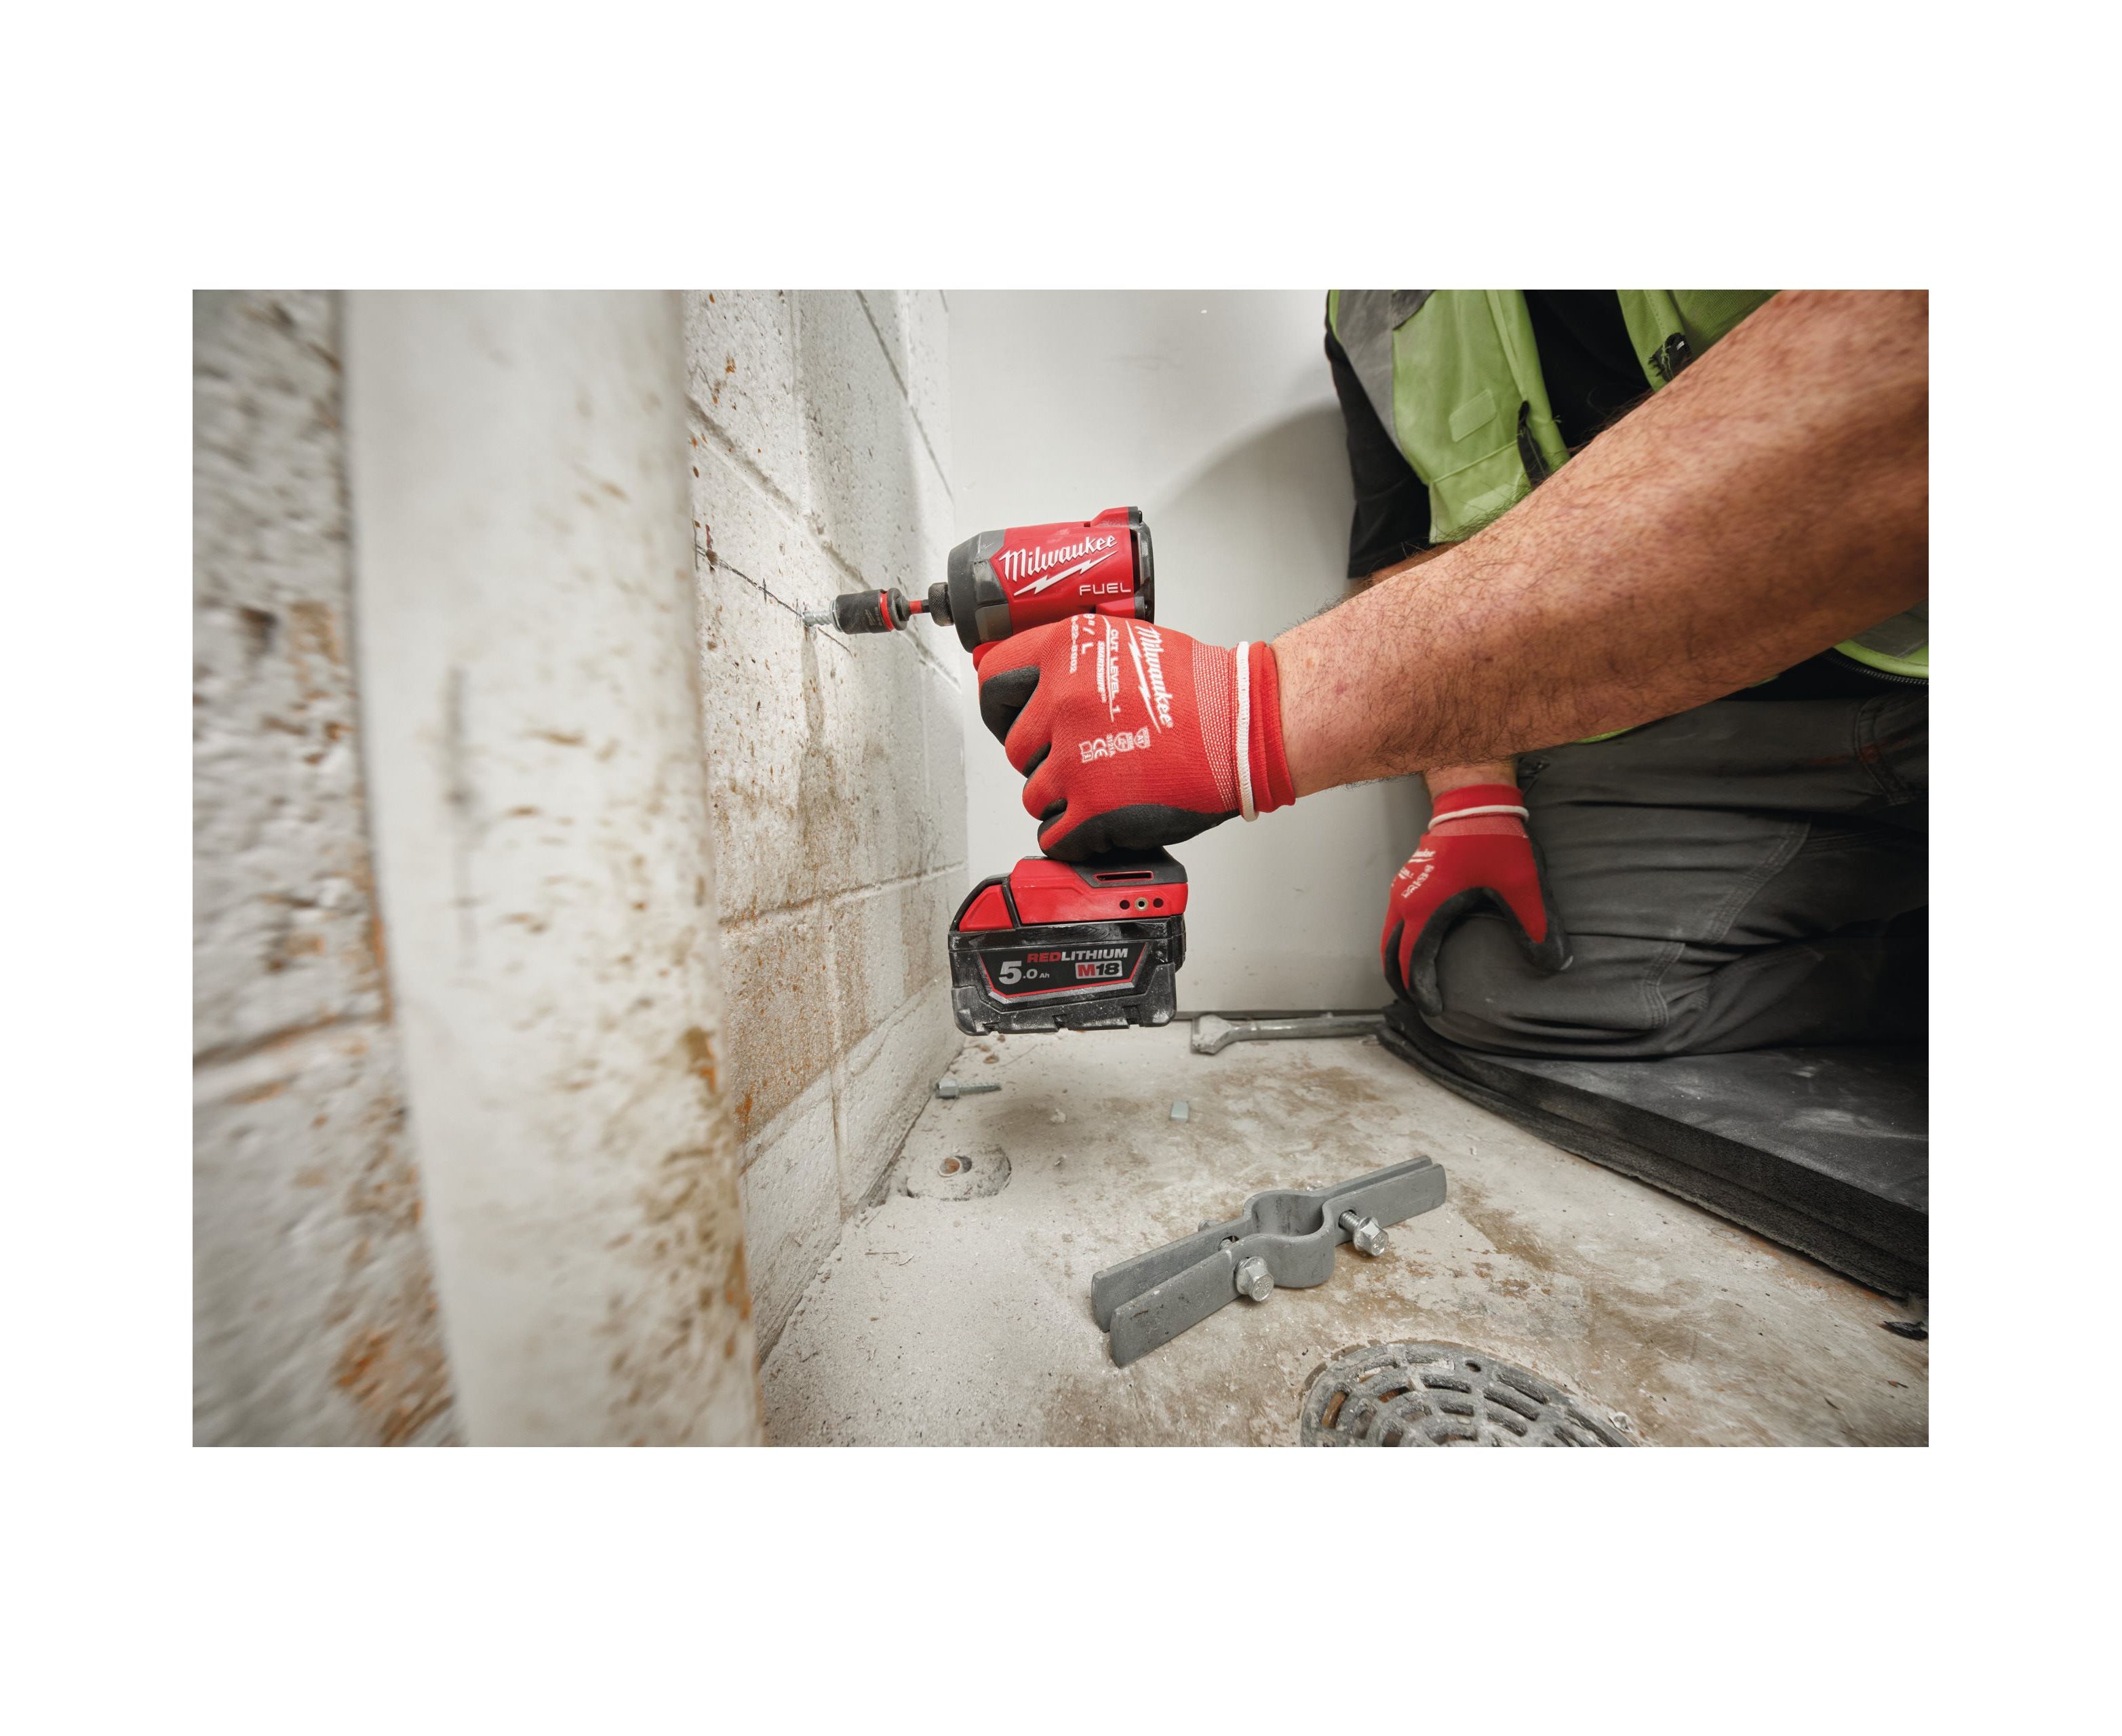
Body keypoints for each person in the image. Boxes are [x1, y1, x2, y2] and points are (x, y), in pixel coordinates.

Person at [972, 290, 1927, 1058]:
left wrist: (1252, 714)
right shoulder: (1367, 309)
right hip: (1695, 730)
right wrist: (1473, 799)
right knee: (1495, 989)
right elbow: (1413, 549)